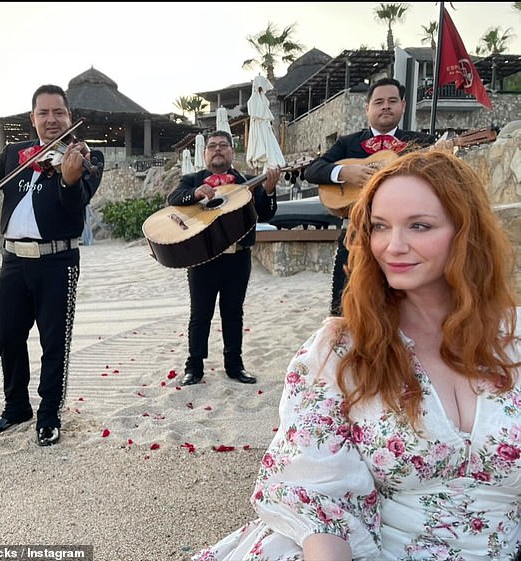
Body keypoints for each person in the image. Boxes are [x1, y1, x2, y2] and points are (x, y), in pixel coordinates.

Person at [191, 150, 521, 560]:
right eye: (380, 227)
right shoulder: (342, 349)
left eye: (419, 225)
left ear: (465, 232)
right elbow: (316, 492)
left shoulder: (515, 339)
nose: (393, 246)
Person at [0, 84, 104, 446]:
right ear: (32, 118)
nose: (52, 120)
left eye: (58, 113)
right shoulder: (14, 153)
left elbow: (75, 204)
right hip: (13, 262)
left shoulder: (84, 156)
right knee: (10, 338)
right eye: (43, 113)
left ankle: (49, 416)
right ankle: (16, 406)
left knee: (54, 343)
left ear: (68, 116)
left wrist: (68, 178)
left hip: (57, 260)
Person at [304, 77, 437, 316]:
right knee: (345, 305)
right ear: (368, 109)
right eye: (379, 102)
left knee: (401, 305)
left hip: (404, 237)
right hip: (355, 233)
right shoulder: (348, 143)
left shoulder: (421, 143)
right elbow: (312, 170)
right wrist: (345, 172)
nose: (385, 106)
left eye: (392, 101)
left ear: (403, 106)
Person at [167, 130, 280, 386]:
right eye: (212, 146)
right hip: (202, 258)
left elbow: (265, 214)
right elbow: (173, 199)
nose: (217, 149)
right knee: (200, 315)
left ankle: (234, 365)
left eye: (223, 145)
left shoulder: (248, 182)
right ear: (205, 153)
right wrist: (195, 193)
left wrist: (269, 190)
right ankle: (194, 367)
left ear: (232, 152)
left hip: (237, 258)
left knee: (233, 313)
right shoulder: (192, 180)